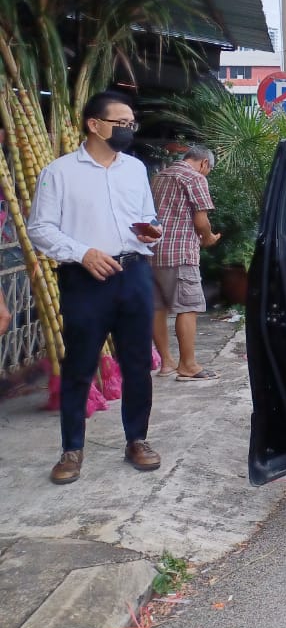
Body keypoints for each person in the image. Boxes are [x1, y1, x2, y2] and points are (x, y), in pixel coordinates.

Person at [27, 91, 164, 485]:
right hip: (86, 280)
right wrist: (83, 253)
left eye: (131, 123)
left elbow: (146, 218)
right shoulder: (60, 172)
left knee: (138, 362)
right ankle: (72, 449)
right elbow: (40, 229)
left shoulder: (135, 169)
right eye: (120, 122)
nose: (128, 129)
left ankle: (137, 440)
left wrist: (152, 232)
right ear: (94, 124)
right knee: (79, 366)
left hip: (134, 273)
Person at [150, 145, 221, 380]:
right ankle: (188, 365)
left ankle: (167, 362)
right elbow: (201, 220)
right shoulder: (195, 178)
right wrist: (209, 237)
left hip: (153, 253)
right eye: (208, 170)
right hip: (181, 253)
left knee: (158, 308)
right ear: (203, 164)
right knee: (189, 306)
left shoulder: (160, 176)